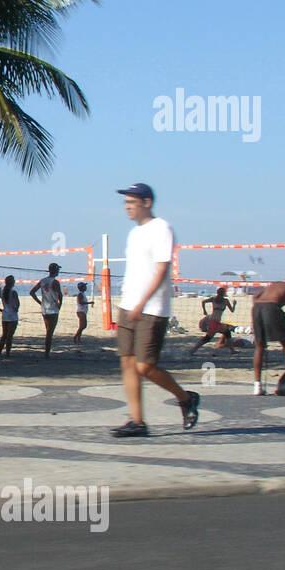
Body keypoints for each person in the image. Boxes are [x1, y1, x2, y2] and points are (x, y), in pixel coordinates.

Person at [112, 183, 199, 437]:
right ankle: (137, 421)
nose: (127, 207)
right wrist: (127, 301)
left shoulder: (162, 228)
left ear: (146, 202)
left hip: (152, 309)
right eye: (125, 203)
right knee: (127, 364)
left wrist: (141, 303)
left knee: (145, 366)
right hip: (128, 306)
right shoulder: (133, 233)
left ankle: (185, 398)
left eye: (132, 202)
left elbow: (162, 270)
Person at [29, 262, 63, 359]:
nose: (58, 272)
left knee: (48, 331)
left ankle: (47, 352)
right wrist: (60, 304)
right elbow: (60, 295)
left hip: (45, 308)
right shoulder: (55, 282)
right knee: (49, 332)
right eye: (58, 270)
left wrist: (40, 303)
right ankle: (47, 353)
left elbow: (32, 292)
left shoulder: (43, 281)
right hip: (52, 308)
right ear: (55, 270)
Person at [189, 286, 237, 356]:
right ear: (224, 293)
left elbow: (203, 302)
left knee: (225, 333)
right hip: (214, 322)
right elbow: (232, 311)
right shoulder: (225, 301)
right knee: (208, 338)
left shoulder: (214, 299)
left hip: (212, 320)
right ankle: (192, 350)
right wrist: (234, 304)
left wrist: (204, 311)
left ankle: (232, 350)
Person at [0, 275, 19, 355]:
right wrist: (16, 308)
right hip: (12, 316)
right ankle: (7, 353)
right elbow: (17, 304)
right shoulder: (13, 292)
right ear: (12, 282)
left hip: (5, 315)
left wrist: (0, 309)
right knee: (10, 336)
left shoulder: (2, 291)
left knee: (4, 335)